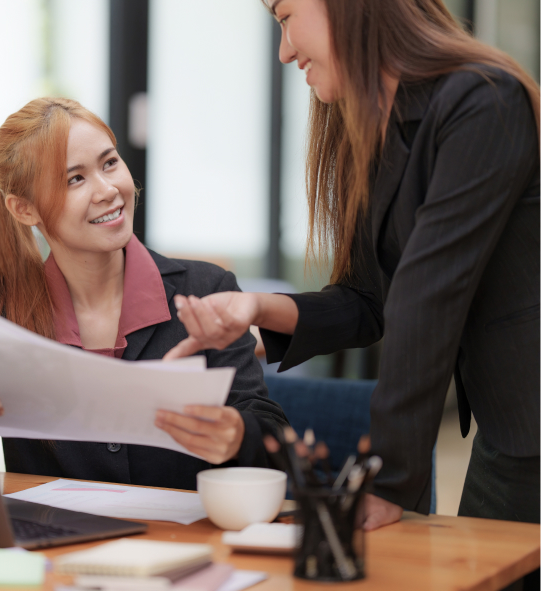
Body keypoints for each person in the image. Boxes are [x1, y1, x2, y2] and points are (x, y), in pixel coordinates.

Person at [166, 0, 540, 536]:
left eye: (285, 16)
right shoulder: (373, 127)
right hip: (511, 431)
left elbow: (426, 298)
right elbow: (369, 302)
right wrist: (254, 311)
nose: (284, 50)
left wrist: (386, 480)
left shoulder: (483, 100)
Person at [0, 97, 288, 492]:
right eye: (75, 179)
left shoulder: (206, 290)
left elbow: (275, 437)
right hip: (50, 545)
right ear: (24, 209)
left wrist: (238, 433)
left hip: (184, 545)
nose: (108, 190)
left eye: (109, 163)